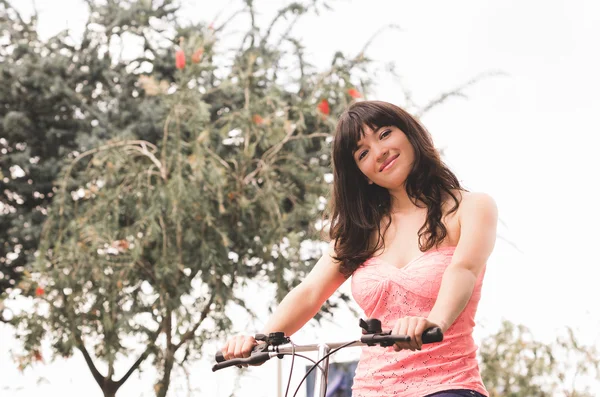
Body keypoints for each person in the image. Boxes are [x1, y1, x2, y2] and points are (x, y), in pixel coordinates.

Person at [220, 100, 497, 397]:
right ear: (362, 173)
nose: (379, 152)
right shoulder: (360, 233)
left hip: (447, 385)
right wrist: (261, 338)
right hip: (370, 388)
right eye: (363, 153)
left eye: (385, 134)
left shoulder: (470, 208)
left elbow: (463, 270)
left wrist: (435, 321)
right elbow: (310, 290)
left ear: (410, 133)